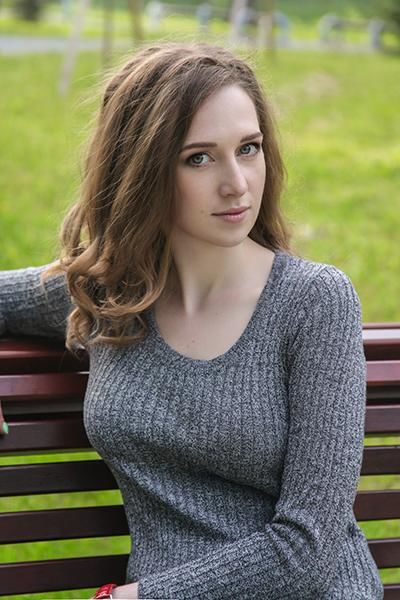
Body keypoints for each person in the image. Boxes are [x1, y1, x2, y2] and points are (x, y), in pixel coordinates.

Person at [0, 43, 384, 599]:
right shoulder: (109, 293)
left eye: (248, 149)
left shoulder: (314, 302)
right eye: (199, 158)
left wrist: (139, 598)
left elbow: (309, 545)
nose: (237, 184)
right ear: (142, 170)